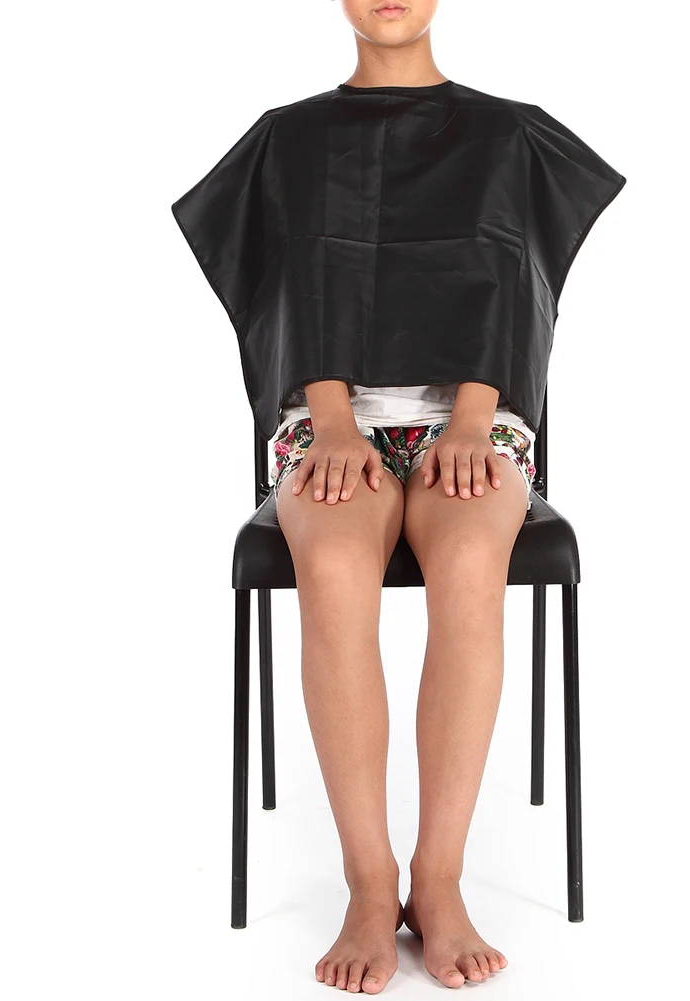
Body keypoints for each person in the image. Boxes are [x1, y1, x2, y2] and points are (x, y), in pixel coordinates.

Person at [172, 0, 626, 992]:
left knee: (468, 557)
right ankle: (369, 882)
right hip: (329, 419)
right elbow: (293, 292)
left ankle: (441, 877)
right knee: (335, 564)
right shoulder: (289, 139)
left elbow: (515, 288)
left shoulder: (506, 134)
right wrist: (334, 427)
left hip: (472, 416)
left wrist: (471, 421)